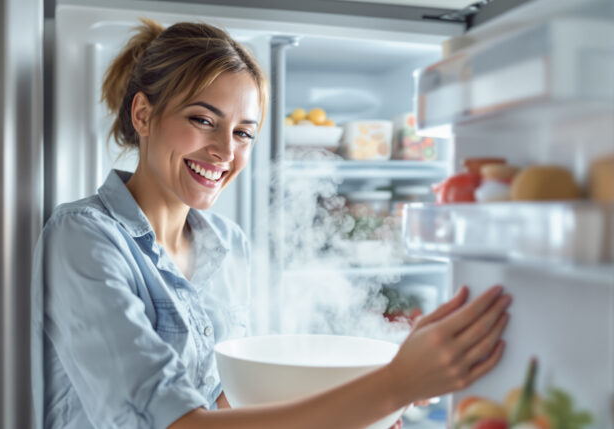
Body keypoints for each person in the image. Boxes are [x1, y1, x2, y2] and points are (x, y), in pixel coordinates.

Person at [30, 18, 512, 429]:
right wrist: (397, 382)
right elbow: (178, 424)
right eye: (202, 119)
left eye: (243, 132)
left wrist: (392, 369)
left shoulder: (227, 244)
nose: (225, 150)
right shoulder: (83, 237)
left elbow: (234, 403)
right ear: (143, 113)